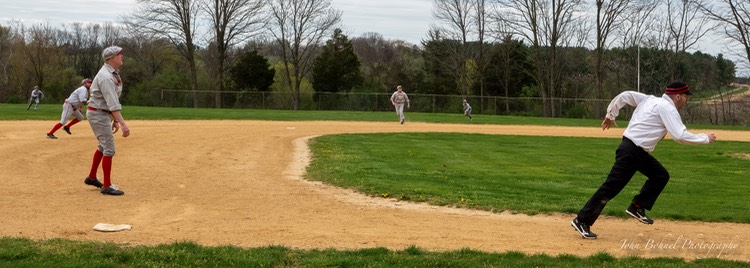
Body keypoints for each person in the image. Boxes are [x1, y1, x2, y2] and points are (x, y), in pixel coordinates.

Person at [571, 81, 716, 239]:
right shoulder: (667, 107)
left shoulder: (650, 99)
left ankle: (637, 206)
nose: (686, 101)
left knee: (660, 175)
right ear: (678, 96)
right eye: (686, 97)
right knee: (610, 188)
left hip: (636, 152)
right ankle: (582, 220)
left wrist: (610, 114)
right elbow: (680, 135)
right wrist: (705, 138)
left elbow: (625, 95)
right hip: (631, 152)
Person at [83, 46, 130, 196]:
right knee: (109, 148)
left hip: (101, 113)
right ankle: (107, 185)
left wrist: (114, 119)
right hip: (98, 114)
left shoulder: (111, 74)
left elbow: (110, 101)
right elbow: (113, 103)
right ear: (111, 59)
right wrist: (123, 124)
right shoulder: (106, 77)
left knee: (103, 146)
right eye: (119, 54)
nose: (122, 56)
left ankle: (91, 177)